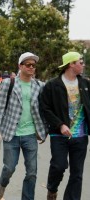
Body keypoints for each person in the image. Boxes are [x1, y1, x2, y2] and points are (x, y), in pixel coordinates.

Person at [0, 52, 47, 200]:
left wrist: (44, 129)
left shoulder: (39, 86)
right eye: (28, 64)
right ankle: (2, 184)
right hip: (11, 133)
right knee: (9, 167)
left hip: (30, 134)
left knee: (32, 172)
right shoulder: (8, 84)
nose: (31, 67)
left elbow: (44, 109)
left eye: (33, 65)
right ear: (20, 66)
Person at [41, 52, 89, 200]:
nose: (83, 64)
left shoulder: (85, 84)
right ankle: (52, 188)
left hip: (81, 135)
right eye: (80, 62)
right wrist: (60, 125)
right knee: (59, 166)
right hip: (59, 134)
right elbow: (45, 108)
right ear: (71, 64)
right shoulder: (52, 85)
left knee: (77, 174)